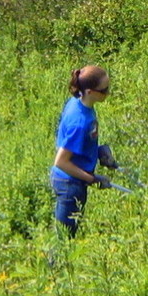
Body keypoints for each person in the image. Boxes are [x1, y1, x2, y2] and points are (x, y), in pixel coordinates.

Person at [50, 64, 117, 236]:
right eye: (104, 90)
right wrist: (92, 179)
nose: (108, 93)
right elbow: (61, 162)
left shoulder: (80, 103)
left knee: (70, 233)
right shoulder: (79, 122)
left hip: (74, 182)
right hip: (69, 185)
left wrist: (100, 151)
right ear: (89, 91)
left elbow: (83, 143)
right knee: (64, 238)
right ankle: (56, 263)